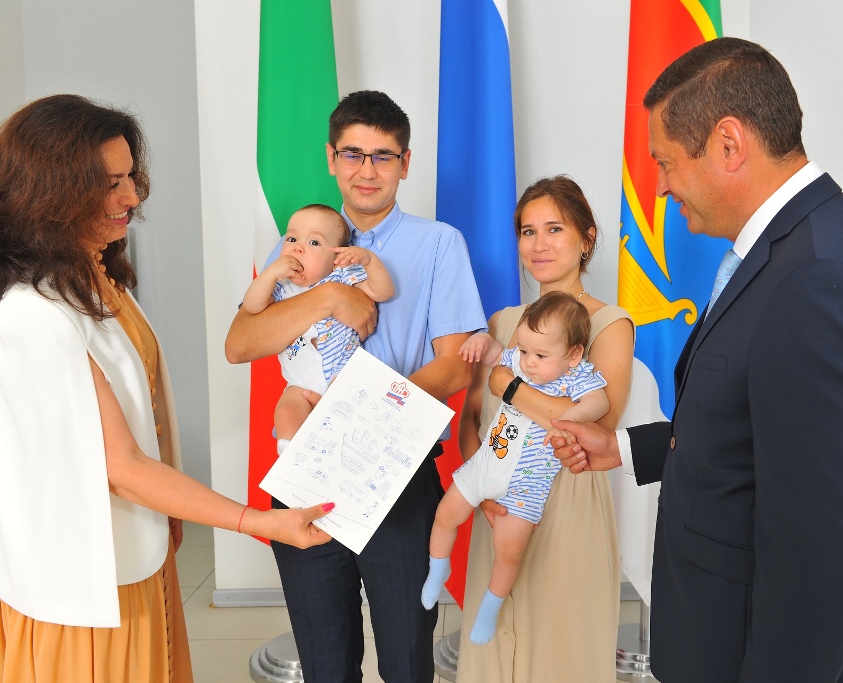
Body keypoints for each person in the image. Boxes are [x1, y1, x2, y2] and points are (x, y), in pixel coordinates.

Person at [553, 37, 843, 683]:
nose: (660, 187)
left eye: (666, 162)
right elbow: (760, 430)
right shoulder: (792, 252)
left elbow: (819, 551)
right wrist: (628, 448)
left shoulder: (819, 282)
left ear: (728, 143)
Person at [0, 94, 334, 683]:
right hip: (79, 573)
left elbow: (145, 408)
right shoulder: (32, 310)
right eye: (111, 183)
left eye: (131, 176)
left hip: (132, 546)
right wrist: (259, 523)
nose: (133, 197)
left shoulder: (92, 274)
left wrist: (166, 511)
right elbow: (122, 465)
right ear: (52, 193)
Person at [225, 90, 486, 683]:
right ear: (331, 158)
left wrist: (363, 420)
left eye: (383, 156)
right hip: (308, 469)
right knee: (325, 660)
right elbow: (240, 344)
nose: (367, 170)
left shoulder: (438, 244)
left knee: (407, 658)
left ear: (405, 163)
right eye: (352, 154)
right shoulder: (300, 240)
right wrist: (328, 299)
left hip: (395, 466)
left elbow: (454, 367)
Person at [455, 176, 635, 682]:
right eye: (528, 231)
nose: (539, 244)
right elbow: (471, 417)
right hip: (496, 504)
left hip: (568, 508)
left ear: (587, 238)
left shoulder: (610, 324)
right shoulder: (501, 322)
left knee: (562, 655)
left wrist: (510, 386)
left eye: (554, 229)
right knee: (493, 655)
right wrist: (481, 488)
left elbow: (598, 429)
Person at [421, 291, 609, 644]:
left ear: (573, 355)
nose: (528, 363)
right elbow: (496, 354)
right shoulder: (521, 360)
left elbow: (600, 402)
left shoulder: (577, 377)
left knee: (508, 552)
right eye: (524, 351)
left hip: (527, 485)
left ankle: (490, 606)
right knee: (445, 515)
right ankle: (437, 568)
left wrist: (572, 417)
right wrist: (481, 342)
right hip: (487, 464)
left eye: (540, 355)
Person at [241, 203, 393, 454]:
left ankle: (330, 454)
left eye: (314, 242)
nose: (298, 247)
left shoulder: (341, 277)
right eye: (292, 239)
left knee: (343, 418)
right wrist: (269, 274)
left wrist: (370, 261)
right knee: (286, 410)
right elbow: (252, 306)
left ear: (335, 260)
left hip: (342, 374)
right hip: (299, 382)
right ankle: (289, 451)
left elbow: (382, 292)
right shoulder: (280, 286)